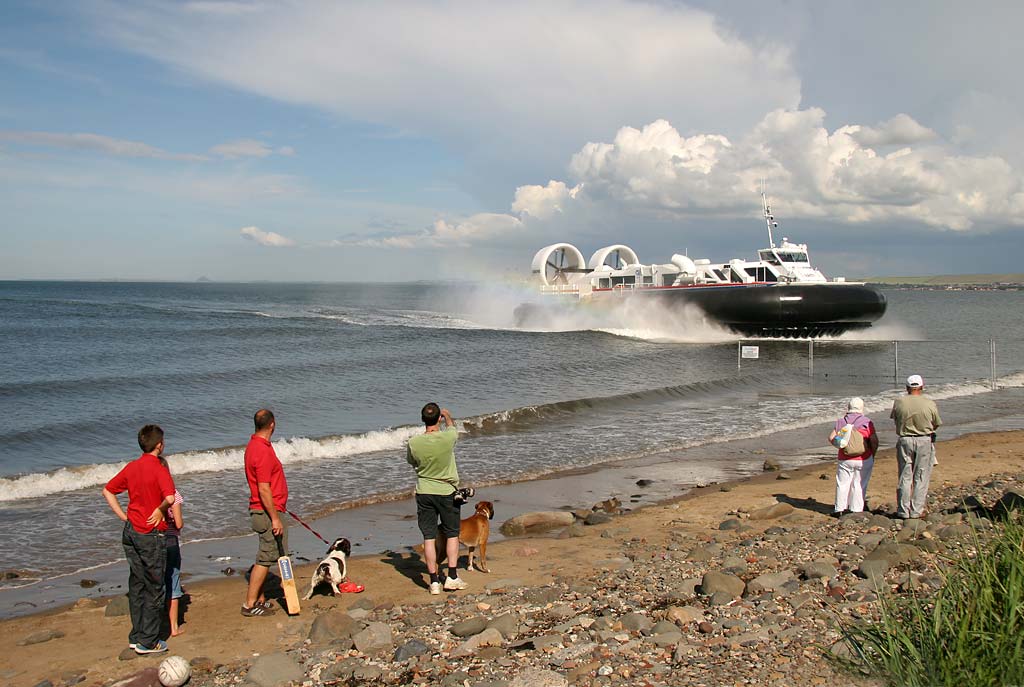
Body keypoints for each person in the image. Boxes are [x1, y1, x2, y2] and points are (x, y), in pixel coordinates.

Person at [102, 424, 176, 655]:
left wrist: (124, 516)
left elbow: (108, 490)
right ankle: (148, 640)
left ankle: (137, 635)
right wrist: (159, 509)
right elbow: (171, 497)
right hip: (149, 534)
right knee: (155, 586)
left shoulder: (132, 467)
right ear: (160, 445)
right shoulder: (158, 468)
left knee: (137, 582)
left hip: (131, 531)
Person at [406, 403, 466, 595]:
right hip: (447, 490)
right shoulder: (447, 437)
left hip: (425, 491)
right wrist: (447, 416)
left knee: (429, 537)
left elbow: (412, 461)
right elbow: (453, 428)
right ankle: (452, 576)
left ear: (423, 420)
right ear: (438, 418)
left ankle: (433, 581)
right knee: (452, 533)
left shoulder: (414, 442)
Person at [242, 408, 288, 617]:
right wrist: (275, 518)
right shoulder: (260, 450)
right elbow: (263, 488)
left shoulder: (256, 446)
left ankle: (259, 599)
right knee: (266, 557)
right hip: (266, 512)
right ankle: (249, 604)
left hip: (267, 509)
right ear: (272, 424)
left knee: (270, 553)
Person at [890, 374, 942, 519]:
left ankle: (903, 510)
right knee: (921, 476)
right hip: (924, 439)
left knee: (905, 476)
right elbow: (936, 423)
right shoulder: (929, 403)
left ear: (907, 388)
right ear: (921, 387)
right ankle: (916, 511)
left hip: (905, 439)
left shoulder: (899, 402)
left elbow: (895, 419)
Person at [829, 397, 879, 515]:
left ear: (849, 407)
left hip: (845, 458)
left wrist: (841, 447)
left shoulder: (841, 422)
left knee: (842, 483)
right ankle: (856, 509)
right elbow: (874, 440)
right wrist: (873, 453)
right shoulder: (867, 422)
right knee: (859, 483)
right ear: (862, 407)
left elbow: (831, 438)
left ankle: (839, 509)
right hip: (863, 458)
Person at [164, 487, 184, 636]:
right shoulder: (173, 493)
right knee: (173, 580)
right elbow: (178, 523)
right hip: (170, 540)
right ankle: (174, 627)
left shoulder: (146, 491)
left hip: (150, 541)